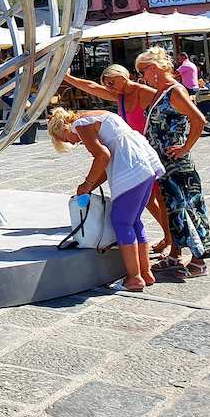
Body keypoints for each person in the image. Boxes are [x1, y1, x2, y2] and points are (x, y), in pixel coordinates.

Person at [48, 107, 164, 292]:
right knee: (134, 221)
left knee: (121, 222)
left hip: (129, 167)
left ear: (63, 129)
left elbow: (102, 156)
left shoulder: (80, 125)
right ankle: (145, 272)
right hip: (144, 161)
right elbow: (106, 160)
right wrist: (89, 186)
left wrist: (87, 184)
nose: (74, 142)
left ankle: (134, 278)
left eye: (67, 140)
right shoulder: (96, 115)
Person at [62, 66, 173, 255]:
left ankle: (172, 241)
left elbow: (169, 108)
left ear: (123, 76)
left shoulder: (144, 92)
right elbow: (90, 86)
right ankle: (167, 236)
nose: (110, 87)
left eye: (112, 82)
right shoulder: (119, 96)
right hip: (131, 154)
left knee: (162, 199)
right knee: (148, 201)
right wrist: (66, 77)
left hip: (150, 148)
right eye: (107, 84)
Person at [135, 46, 210, 278]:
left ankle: (199, 261)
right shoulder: (160, 92)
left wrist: (184, 147)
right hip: (164, 164)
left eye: (143, 71)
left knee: (188, 209)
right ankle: (175, 255)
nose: (142, 77)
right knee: (173, 210)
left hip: (177, 164)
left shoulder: (174, 91)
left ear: (153, 69)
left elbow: (198, 120)